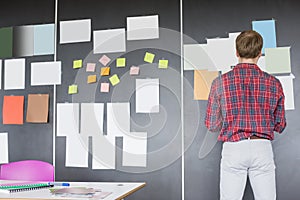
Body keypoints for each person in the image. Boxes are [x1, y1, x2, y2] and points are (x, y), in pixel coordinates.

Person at [205, 30, 286, 200]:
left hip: (233, 148)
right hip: (262, 147)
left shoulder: (220, 82)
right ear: (259, 53)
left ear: (236, 52)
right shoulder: (274, 83)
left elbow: (212, 125)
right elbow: (280, 125)